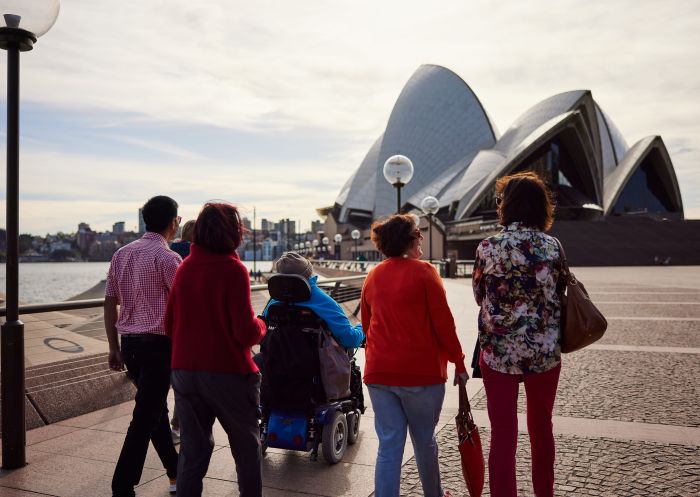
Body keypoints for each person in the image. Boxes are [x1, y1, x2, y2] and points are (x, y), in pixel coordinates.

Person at [360, 214, 468, 497]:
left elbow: (366, 322)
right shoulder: (425, 272)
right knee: (424, 441)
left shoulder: (373, 275)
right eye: (418, 233)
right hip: (421, 374)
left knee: (389, 444)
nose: (421, 238)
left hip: (379, 373)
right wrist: (458, 361)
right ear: (408, 240)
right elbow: (444, 323)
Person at [472, 171, 565, 497]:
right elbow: (559, 293)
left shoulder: (488, 247)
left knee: (503, 435)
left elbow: (479, 295)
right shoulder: (552, 247)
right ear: (541, 207)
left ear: (506, 206)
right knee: (542, 429)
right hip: (544, 351)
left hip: (499, 353)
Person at [165, 201, 266, 497]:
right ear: (231, 232)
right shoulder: (233, 269)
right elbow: (245, 332)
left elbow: (169, 325)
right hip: (228, 373)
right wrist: (262, 325)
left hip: (184, 372)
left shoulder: (184, 269)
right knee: (246, 449)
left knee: (193, 453)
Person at [105, 195, 182, 497]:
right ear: (173, 222)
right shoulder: (168, 259)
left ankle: (176, 473)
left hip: (130, 346)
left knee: (155, 413)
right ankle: (122, 486)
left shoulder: (121, 254)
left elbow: (110, 303)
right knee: (145, 418)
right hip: (159, 347)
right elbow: (184, 307)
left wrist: (113, 347)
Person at [262, 251, 364, 349]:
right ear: (309, 273)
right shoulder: (323, 301)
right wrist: (362, 327)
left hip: (277, 362)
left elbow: (263, 329)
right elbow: (350, 340)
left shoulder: (274, 301)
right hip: (318, 365)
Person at [168, 219, 195, 441]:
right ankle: (178, 425)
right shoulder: (196, 255)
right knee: (184, 380)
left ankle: (169, 426)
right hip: (187, 324)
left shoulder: (170, 250)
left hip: (164, 321)